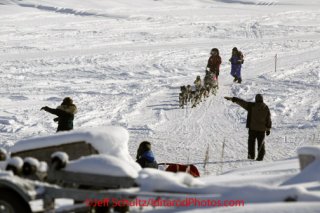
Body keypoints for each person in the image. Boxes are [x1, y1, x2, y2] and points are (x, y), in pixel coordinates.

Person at [224, 94, 272, 161]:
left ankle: (251, 157)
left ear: (256, 99)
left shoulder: (251, 106)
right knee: (261, 145)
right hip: (262, 130)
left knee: (251, 144)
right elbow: (268, 119)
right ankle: (260, 158)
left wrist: (233, 99)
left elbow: (242, 102)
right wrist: (268, 129)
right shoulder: (266, 107)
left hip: (252, 129)